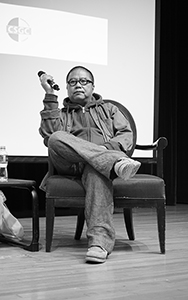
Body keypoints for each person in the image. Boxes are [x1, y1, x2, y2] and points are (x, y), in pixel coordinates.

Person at [39, 66, 141, 263]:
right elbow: (48, 134)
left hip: (96, 168)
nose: (78, 85)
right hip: (69, 165)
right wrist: (50, 94)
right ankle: (113, 163)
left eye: (84, 81)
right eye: (73, 82)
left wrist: (106, 147)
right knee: (56, 137)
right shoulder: (61, 112)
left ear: (93, 86)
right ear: (67, 88)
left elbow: (126, 135)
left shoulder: (110, 109)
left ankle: (99, 244)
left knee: (96, 171)